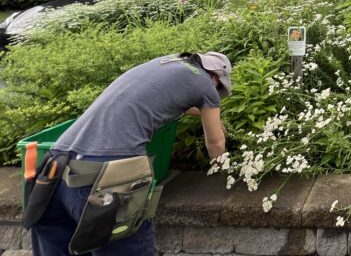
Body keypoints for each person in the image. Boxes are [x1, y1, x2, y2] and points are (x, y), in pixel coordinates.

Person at [29, 51, 232, 256]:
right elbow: (215, 144)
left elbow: (181, 103)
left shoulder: (163, 65)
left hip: (53, 170)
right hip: (106, 175)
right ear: (215, 77)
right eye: (218, 90)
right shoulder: (205, 84)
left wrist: (211, 115)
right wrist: (224, 174)